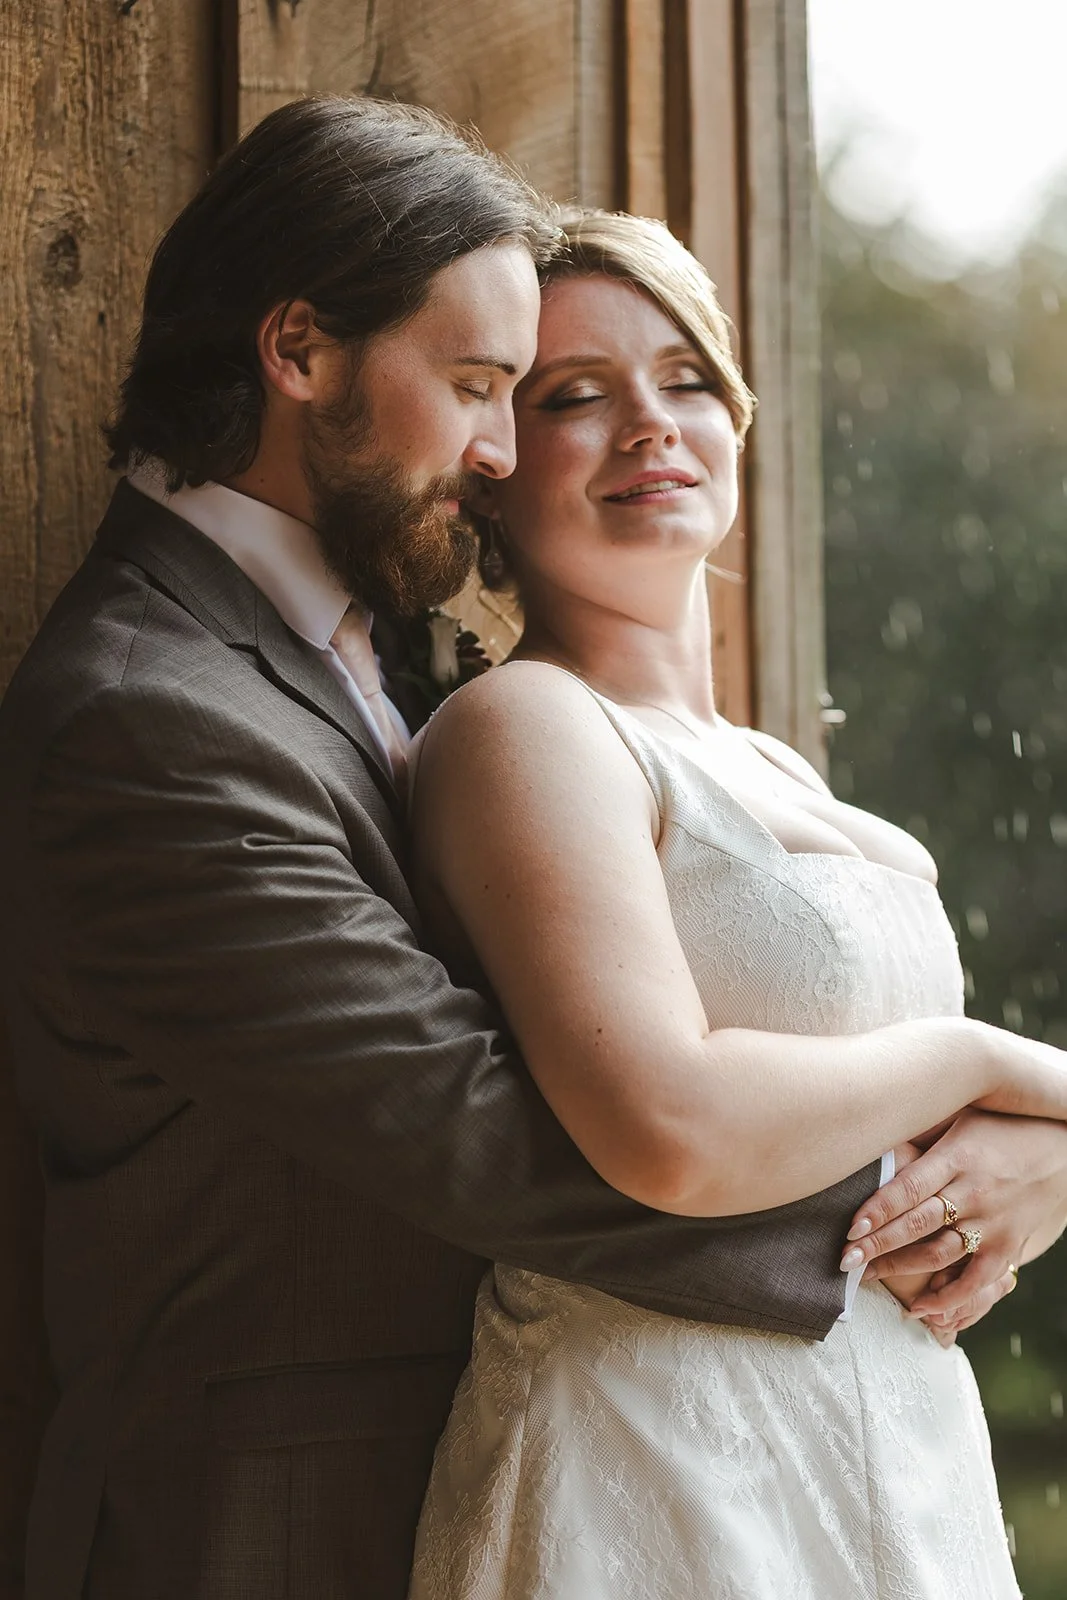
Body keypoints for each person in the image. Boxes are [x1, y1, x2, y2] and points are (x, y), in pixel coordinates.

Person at [0, 97, 955, 1600]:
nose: (500, 452)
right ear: (300, 350)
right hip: (269, 1527)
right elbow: (480, 1128)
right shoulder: (146, 713)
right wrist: (925, 1200)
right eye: (475, 386)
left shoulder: (382, 650)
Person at [405, 207, 1067, 1599]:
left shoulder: (773, 765)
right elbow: (673, 1129)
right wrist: (988, 1063)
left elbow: (891, 1143)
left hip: (896, 1438)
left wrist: (1037, 1162)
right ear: (494, 469)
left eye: (685, 379)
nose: (650, 422)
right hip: (660, 1452)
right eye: (575, 397)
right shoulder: (525, 727)